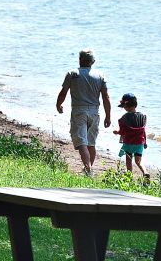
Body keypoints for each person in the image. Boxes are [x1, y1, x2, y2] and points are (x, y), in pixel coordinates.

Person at [56, 49, 112, 177]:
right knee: (91, 143)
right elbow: (106, 97)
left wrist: (59, 104)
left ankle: (88, 169)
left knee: (82, 142)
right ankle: (88, 169)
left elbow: (63, 92)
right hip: (94, 111)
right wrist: (108, 116)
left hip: (79, 111)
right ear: (93, 61)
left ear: (80, 59)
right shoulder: (100, 75)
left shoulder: (72, 73)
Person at [113, 92, 148, 179]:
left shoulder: (124, 118)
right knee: (138, 161)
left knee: (129, 160)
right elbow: (144, 131)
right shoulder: (142, 117)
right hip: (140, 143)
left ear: (126, 106)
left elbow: (122, 132)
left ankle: (129, 177)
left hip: (129, 143)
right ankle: (145, 172)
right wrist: (145, 142)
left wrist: (116, 132)